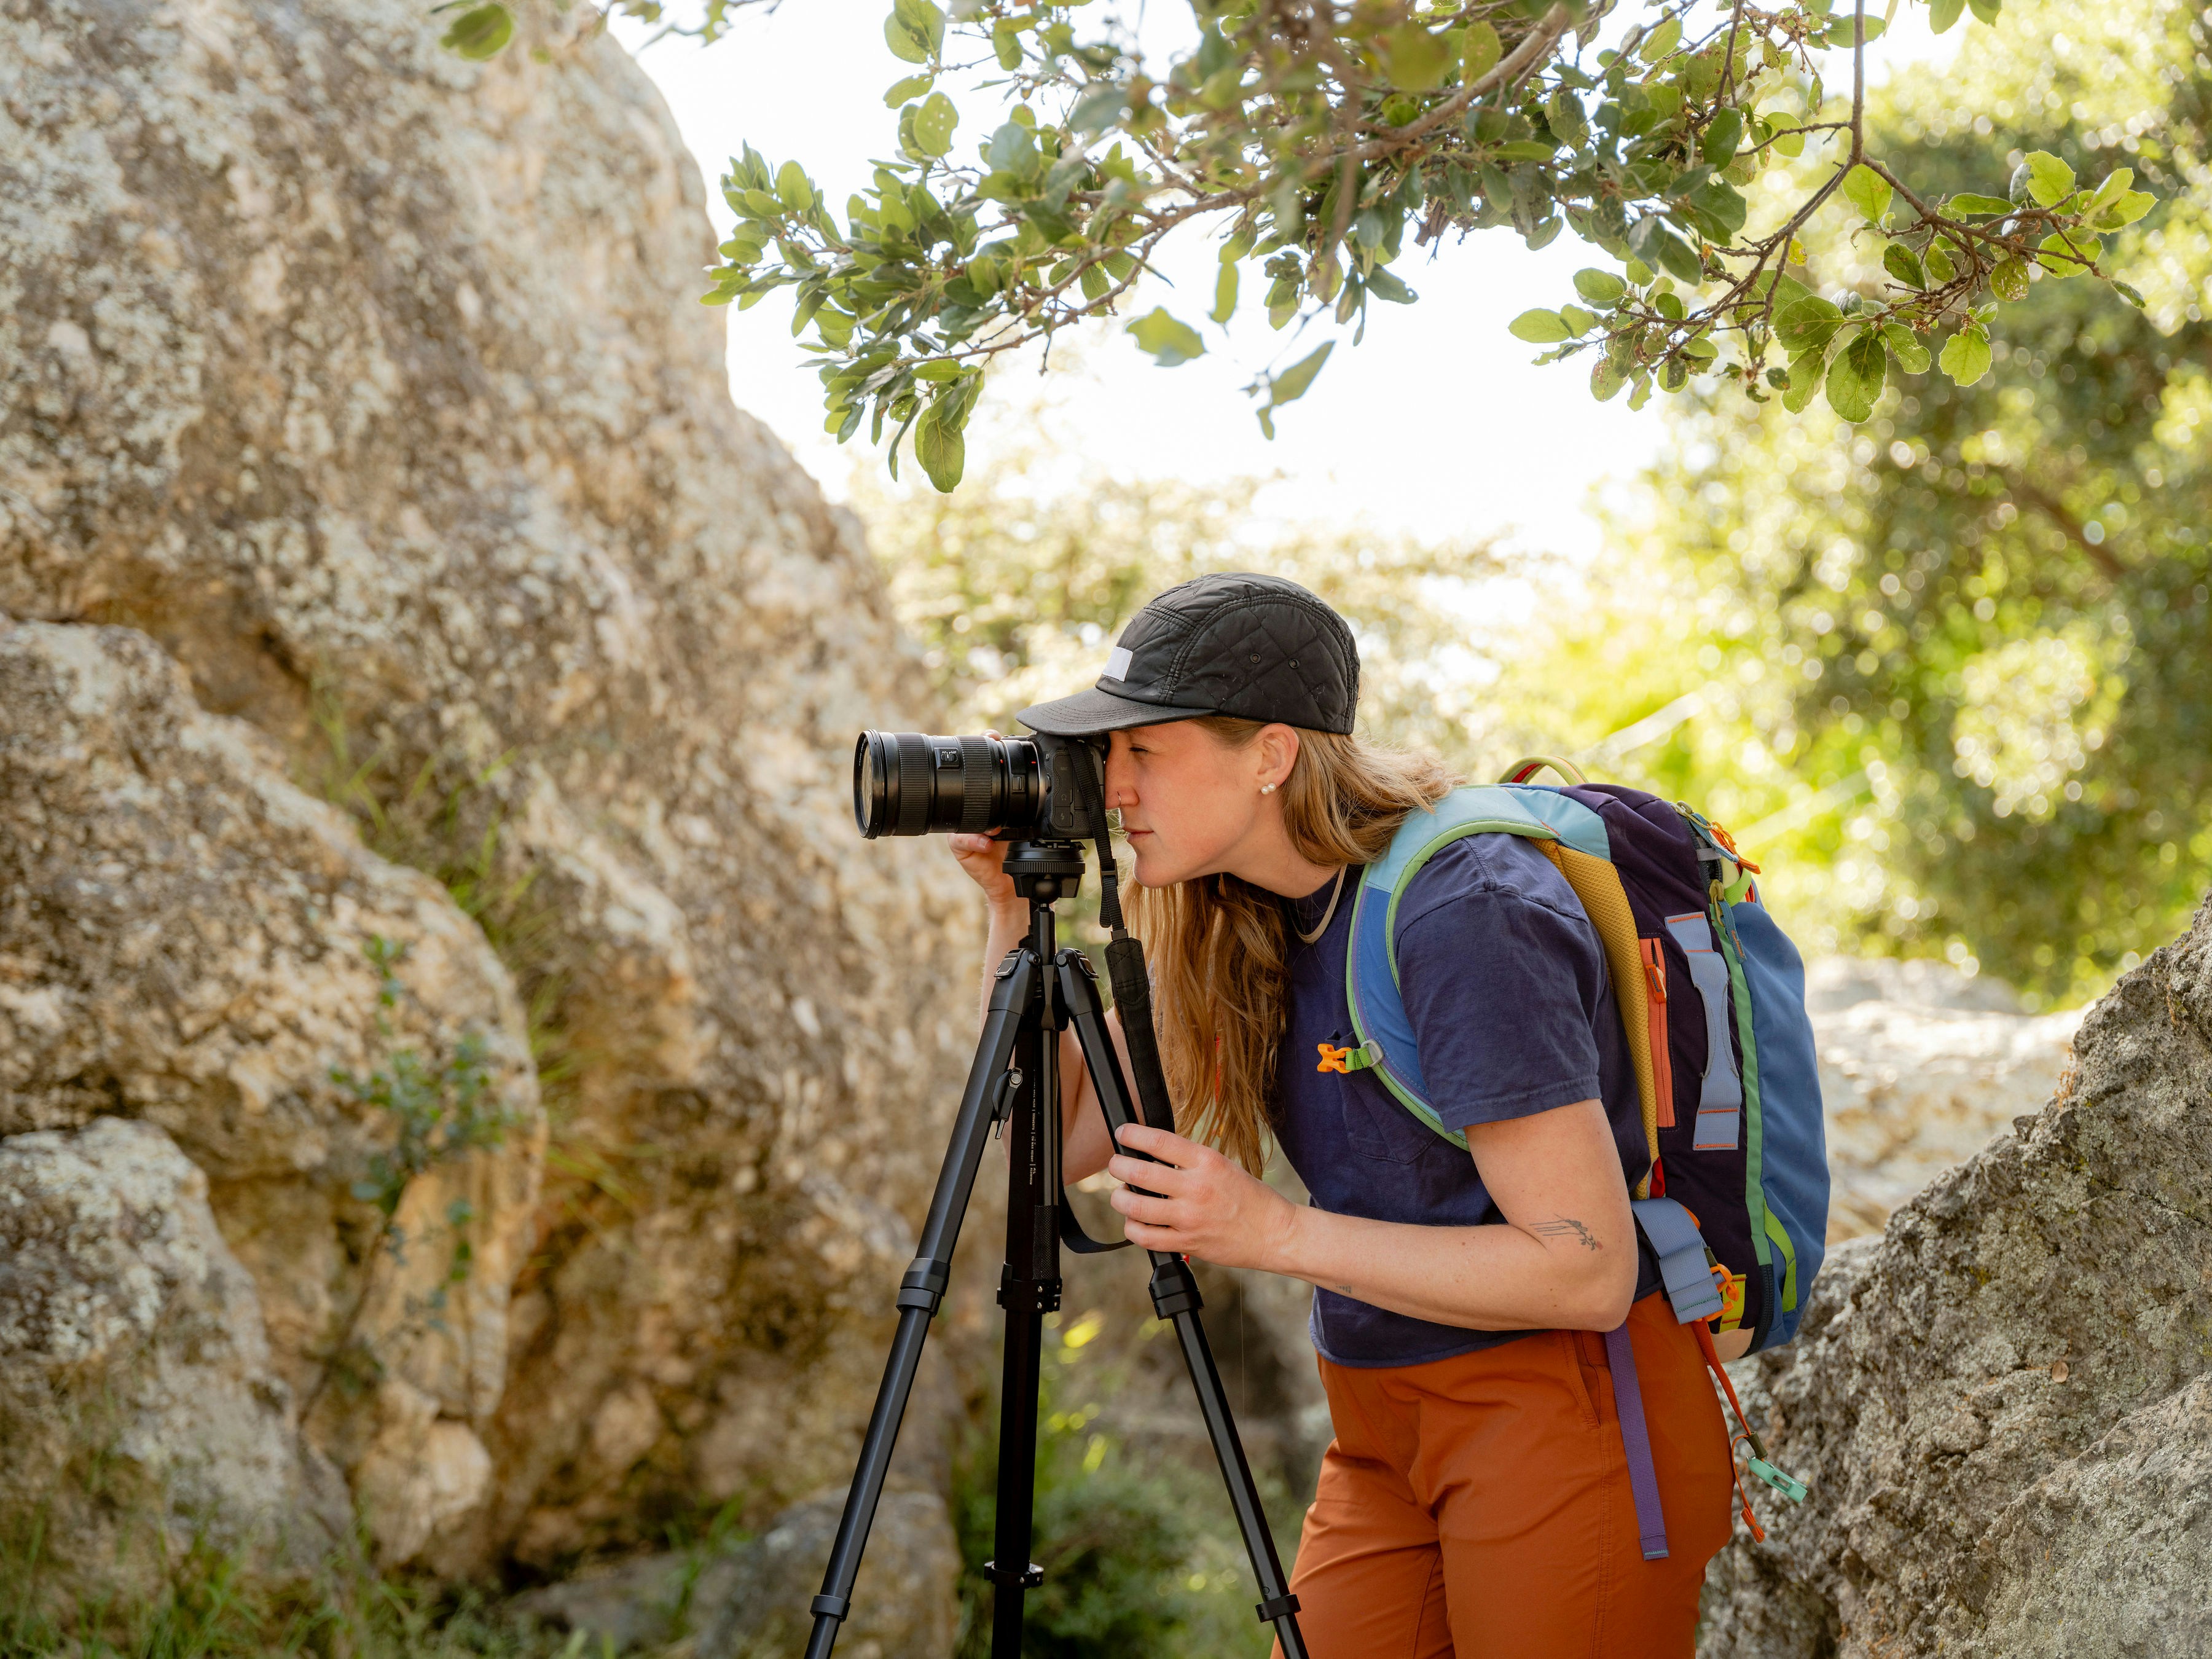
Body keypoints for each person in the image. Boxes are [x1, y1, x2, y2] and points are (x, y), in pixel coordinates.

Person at [948, 573, 1733, 1658]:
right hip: (1379, 1424)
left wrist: (1271, 1234)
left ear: (1271, 755)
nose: (1112, 787)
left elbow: (1587, 1269)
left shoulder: (1468, 913)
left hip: (1565, 1414)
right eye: (1107, 754)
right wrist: (1007, 911)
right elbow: (1059, 1142)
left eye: (1144, 751)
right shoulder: (1227, 914)